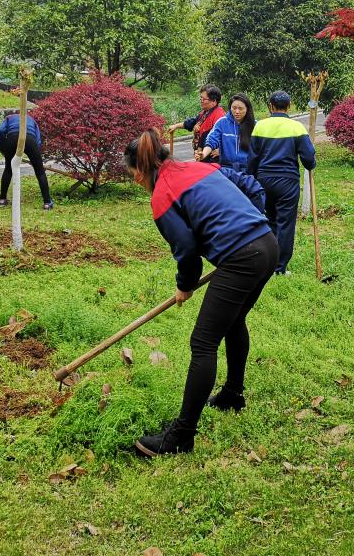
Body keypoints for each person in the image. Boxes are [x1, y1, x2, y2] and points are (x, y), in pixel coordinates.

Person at [123, 130, 278, 457]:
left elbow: (187, 249)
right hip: (267, 244)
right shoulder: (204, 167)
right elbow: (252, 187)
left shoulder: (162, 193)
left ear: (140, 170)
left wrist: (184, 284)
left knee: (203, 341)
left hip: (243, 257)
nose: (134, 180)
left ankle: (181, 436)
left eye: (132, 174)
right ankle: (232, 395)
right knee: (234, 323)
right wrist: (250, 224)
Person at [247, 91, 316, 276]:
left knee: (268, 220)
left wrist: (250, 180)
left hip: (264, 179)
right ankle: (279, 267)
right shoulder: (297, 127)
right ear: (289, 106)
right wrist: (311, 164)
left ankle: (266, 262)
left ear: (270, 106)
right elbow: (308, 158)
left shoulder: (259, 126)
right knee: (286, 223)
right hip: (287, 180)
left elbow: (252, 158)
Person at [0, 111, 53, 210]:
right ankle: (47, 203)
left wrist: (3, 146)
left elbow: (0, 130)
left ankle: (2, 200)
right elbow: (38, 141)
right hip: (30, 138)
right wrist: (35, 157)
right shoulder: (32, 120)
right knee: (40, 172)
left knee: (8, 169)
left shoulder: (9, 118)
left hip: (12, 138)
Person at [199, 93, 256, 172]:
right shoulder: (222, 123)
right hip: (227, 170)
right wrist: (204, 154)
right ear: (230, 108)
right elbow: (212, 140)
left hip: (248, 170)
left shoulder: (255, 125)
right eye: (234, 108)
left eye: (240, 108)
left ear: (247, 109)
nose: (237, 111)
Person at [168, 84, 226, 152]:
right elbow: (191, 122)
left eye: (204, 99)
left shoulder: (219, 115)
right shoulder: (204, 113)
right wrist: (175, 126)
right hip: (201, 155)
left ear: (214, 101)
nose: (201, 101)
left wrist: (220, 151)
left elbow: (225, 136)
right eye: (201, 98)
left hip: (212, 159)